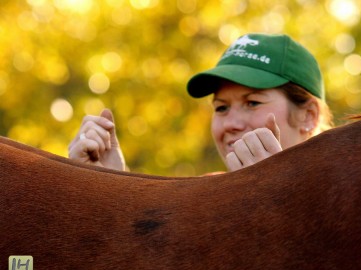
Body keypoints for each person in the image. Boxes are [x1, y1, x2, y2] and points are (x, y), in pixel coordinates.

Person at [68, 33, 333, 173]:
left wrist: (274, 195)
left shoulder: (347, 197)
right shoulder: (205, 195)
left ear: (308, 115)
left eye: (252, 102)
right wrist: (112, 185)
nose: (231, 123)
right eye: (221, 107)